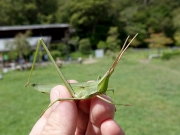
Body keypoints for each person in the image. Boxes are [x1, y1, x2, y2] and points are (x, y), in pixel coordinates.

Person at [29, 80, 125, 135]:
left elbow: (110, 91)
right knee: (59, 98)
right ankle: (29, 80)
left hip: (86, 90)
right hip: (77, 92)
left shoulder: (98, 92)